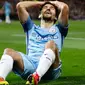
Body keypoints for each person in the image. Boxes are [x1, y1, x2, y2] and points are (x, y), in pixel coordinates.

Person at [0, 1, 69, 85]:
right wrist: (40, 3)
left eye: (52, 8)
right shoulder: (31, 27)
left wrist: (52, 2)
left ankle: (37, 76)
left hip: (51, 69)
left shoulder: (60, 29)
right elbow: (20, 6)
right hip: (31, 65)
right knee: (8, 51)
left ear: (56, 17)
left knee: (51, 44)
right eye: (45, 7)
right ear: (40, 14)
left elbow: (65, 7)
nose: (48, 8)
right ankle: (1, 79)